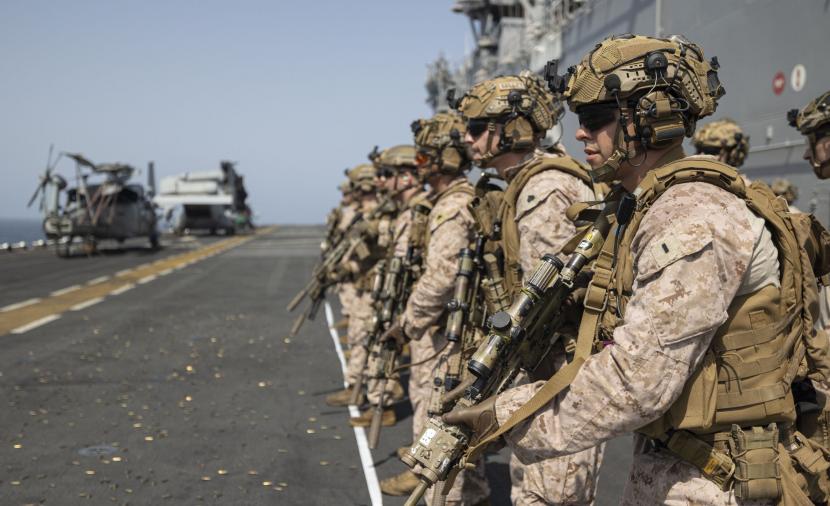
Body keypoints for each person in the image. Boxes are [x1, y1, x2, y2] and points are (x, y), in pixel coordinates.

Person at [445, 34, 830, 504]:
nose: (580, 134)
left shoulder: (692, 217)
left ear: (651, 118)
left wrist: (502, 416)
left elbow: (638, 380)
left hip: (716, 479)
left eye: (595, 119)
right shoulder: (647, 205)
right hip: (681, 462)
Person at [455, 72, 605, 505]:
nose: (468, 138)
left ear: (513, 129)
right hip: (544, 373)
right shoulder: (525, 184)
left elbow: (549, 302)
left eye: (478, 128)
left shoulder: (544, 189)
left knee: (549, 494)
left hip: (560, 376)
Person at [379, 112, 490, 504]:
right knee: (448, 421)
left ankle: (445, 493)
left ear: (445, 159)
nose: (419, 168)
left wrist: (407, 323)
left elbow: (441, 276)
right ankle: (468, 492)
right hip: (444, 327)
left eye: (425, 159)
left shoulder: (453, 206)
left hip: (450, 333)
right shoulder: (444, 202)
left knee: (440, 416)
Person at [347, 145, 423, 428]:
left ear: (406, 176)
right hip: (392, 289)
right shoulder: (399, 209)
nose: (380, 180)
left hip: (410, 297)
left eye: (386, 174)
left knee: (422, 377)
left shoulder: (417, 209)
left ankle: (385, 403)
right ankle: (378, 399)